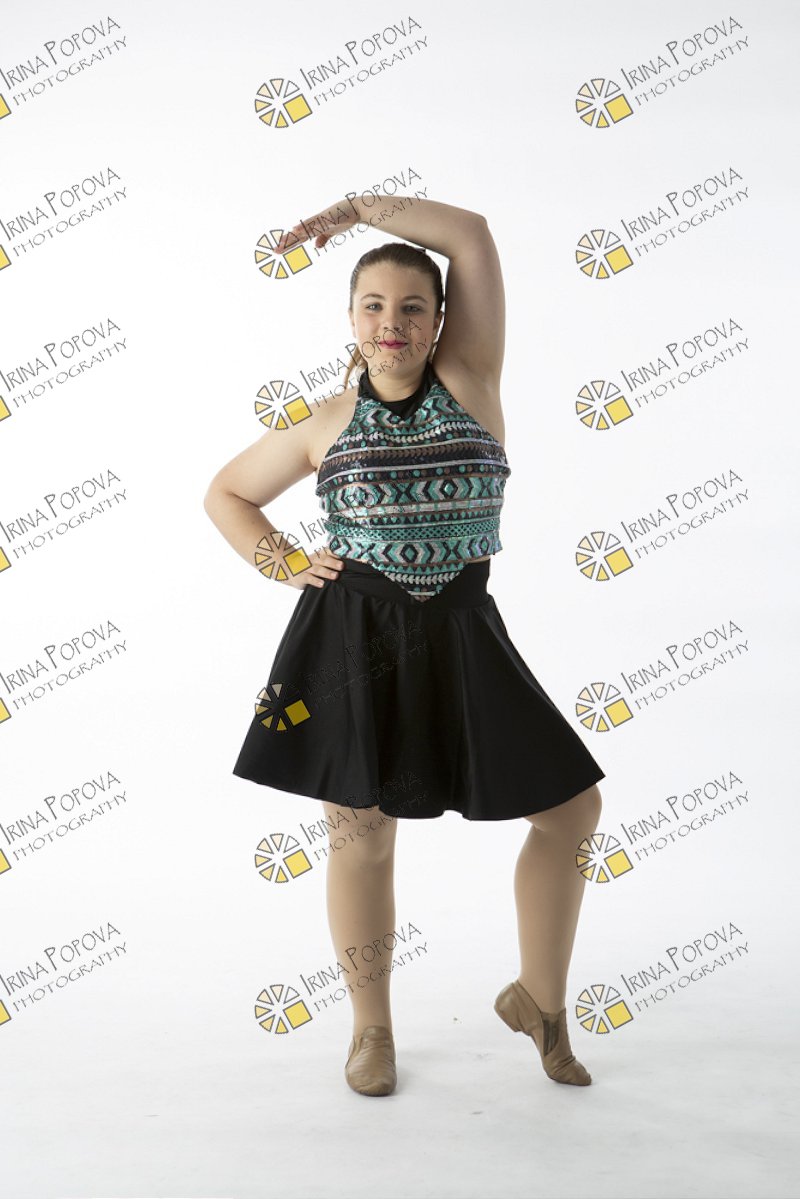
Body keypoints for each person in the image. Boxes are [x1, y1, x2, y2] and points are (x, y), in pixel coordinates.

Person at [203, 194, 605, 1096]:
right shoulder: (324, 421)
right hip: (350, 636)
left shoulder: (472, 381)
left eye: (413, 307)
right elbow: (227, 493)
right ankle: (370, 1029)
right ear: (351, 319)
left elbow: (471, 234)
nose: (393, 322)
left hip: (463, 630)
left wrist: (354, 209)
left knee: (572, 810)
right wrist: (284, 561)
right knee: (362, 834)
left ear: (441, 319)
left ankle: (541, 1002)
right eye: (374, 305)